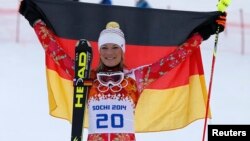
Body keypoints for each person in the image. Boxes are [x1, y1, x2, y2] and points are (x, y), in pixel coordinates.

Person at [19, 0, 226, 140]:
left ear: (122, 50)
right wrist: (35, 19)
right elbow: (54, 50)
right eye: (105, 48)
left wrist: (203, 32)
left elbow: (174, 59)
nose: (110, 53)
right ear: (99, 51)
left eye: (115, 47)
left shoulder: (136, 78)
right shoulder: (86, 77)